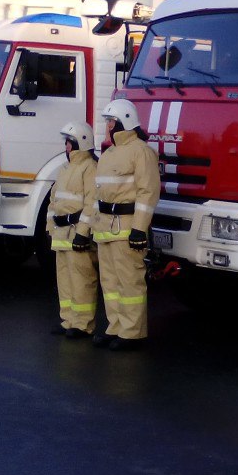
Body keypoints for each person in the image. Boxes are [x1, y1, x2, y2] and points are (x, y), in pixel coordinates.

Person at [91, 99, 160, 351]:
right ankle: (115, 327)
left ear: (124, 121)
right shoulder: (109, 153)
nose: (108, 126)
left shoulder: (141, 151)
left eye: (111, 121)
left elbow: (148, 192)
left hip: (127, 228)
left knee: (129, 282)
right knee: (110, 283)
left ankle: (132, 333)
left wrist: (140, 229)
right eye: (108, 121)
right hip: (106, 228)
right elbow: (98, 194)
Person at [48, 120, 99, 338]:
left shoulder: (90, 168)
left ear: (81, 142)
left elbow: (91, 203)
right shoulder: (66, 168)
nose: (66, 146)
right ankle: (68, 320)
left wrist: (82, 233)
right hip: (61, 233)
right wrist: (50, 226)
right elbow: (53, 200)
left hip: (75, 232)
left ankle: (82, 324)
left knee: (81, 279)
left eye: (69, 142)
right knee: (65, 280)